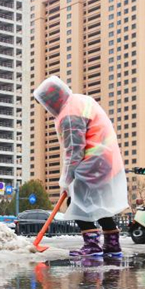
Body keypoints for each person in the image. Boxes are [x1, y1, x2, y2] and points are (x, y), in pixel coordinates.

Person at [33, 76, 128, 257]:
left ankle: (92, 245)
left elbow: (74, 151)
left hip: (93, 161)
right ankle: (112, 244)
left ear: (52, 100)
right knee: (96, 203)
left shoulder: (69, 114)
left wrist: (66, 180)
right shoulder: (81, 100)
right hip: (108, 158)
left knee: (76, 202)